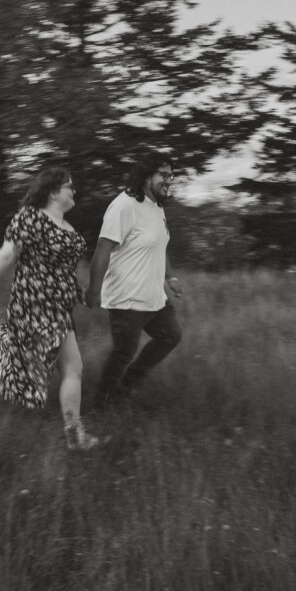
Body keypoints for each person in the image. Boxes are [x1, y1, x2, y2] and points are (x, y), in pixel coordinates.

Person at [0, 164, 103, 452]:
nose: (75, 191)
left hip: (59, 309)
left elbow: (62, 271)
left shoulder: (67, 227)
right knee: (47, 370)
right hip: (35, 307)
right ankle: (75, 435)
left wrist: (80, 294)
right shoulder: (32, 217)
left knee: (57, 367)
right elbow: (6, 254)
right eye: (69, 186)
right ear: (52, 191)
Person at [86, 151, 182, 408]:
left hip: (154, 298)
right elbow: (103, 248)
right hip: (127, 299)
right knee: (123, 352)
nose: (168, 180)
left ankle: (124, 389)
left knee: (170, 336)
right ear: (145, 176)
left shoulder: (157, 208)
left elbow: (159, 246)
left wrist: (170, 276)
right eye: (163, 174)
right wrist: (94, 291)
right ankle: (102, 404)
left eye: (170, 175)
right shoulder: (124, 205)